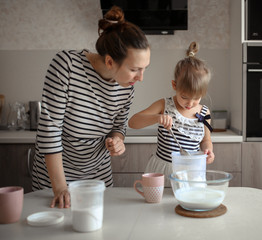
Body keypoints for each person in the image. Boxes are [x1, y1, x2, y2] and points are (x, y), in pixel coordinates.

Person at [31, 6, 150, 208]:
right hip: (55, 180)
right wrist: (60, 187)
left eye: (144, 69)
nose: (140, 78)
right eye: (134, 70)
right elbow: (49, 131)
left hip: (98, 180)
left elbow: (119, 127)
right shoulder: (66, 66)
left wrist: (117, 140)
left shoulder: (125, 86)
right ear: (110, 61)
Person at [128, 42, 214, 186]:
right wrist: (157, 118)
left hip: (191, 173)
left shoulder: (205, 113)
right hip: (163, 172)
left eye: (196, 98)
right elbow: (133, 122)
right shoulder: (164, 105)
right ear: (175, 86)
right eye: (185, 97)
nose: (190, 103)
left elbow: (206, 140)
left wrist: (208, 151)